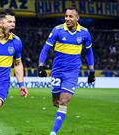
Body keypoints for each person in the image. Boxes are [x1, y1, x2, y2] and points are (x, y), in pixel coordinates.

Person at [38, 7, 95, 135]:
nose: (67, 19)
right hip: (57, 71)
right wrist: (41, 66)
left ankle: (53, 132)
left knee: (63, 101)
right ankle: (59, 113)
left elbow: (89, 52)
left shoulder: (85, 33)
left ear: (77, 18)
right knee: (55, 101)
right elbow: (46, 48)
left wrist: (91, 71)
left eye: (70, 16)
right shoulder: (57, 30)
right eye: (66, 16)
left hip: (72, 73)